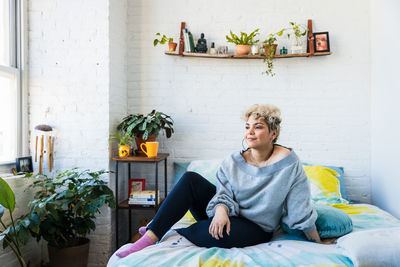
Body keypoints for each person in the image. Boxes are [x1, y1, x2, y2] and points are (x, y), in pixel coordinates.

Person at [116, 104, 335, 258]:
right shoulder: (234, 160)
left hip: (255, 227)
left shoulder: (289, 164)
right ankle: (152, 236)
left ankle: (172, 229)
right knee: (190, 179)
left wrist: (317, 241)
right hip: (224, 212)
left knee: (208, 233)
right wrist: (220, 209)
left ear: (273, 133)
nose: (250, 132)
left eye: (258, 127)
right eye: (247, 126)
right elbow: (223, 191)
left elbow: (299, 209)